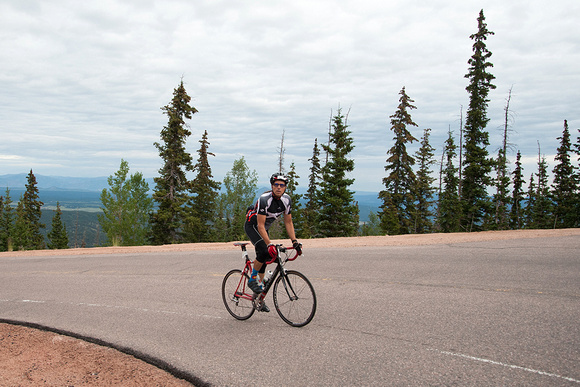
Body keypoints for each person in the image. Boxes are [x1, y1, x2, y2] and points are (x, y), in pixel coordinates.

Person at [244, 173, 302, 311]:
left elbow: (288, 222)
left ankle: (258, 297)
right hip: (253, 226)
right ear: (272, 186)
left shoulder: (287, 200)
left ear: (285, 188)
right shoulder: (265, 199)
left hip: (264, 228)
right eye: (276, 185)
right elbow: (260, 226)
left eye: (282, 185)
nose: (279, 187)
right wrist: (269, 244)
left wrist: (294, 242)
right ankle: (252, 279)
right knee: (264, 251)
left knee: (267, 257)